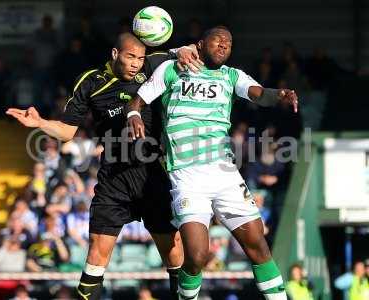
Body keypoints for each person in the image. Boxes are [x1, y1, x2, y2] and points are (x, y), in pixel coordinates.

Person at [6, 32, 202, 300]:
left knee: (172, 248)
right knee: (97, 251)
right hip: (114, 178)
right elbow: (66, 132)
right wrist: (40, 123)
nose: (136, 64)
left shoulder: (152, 66)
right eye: (130, 57)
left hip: (152, 173)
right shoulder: (90, 82)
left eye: (140, 58)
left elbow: (189, 52)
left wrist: (185, 48)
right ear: (114, 54)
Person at [127, 25, 298, 300]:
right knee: (196, 257)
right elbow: (137, 101)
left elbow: (258, 93)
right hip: (187, 177)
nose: (223, 46)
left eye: (229, 44)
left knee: (258, 246)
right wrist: (132, 115)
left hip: (224, 174)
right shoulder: (171, 69)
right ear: (200, 43)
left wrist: (278, 94)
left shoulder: (232, 76)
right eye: (218, 41)